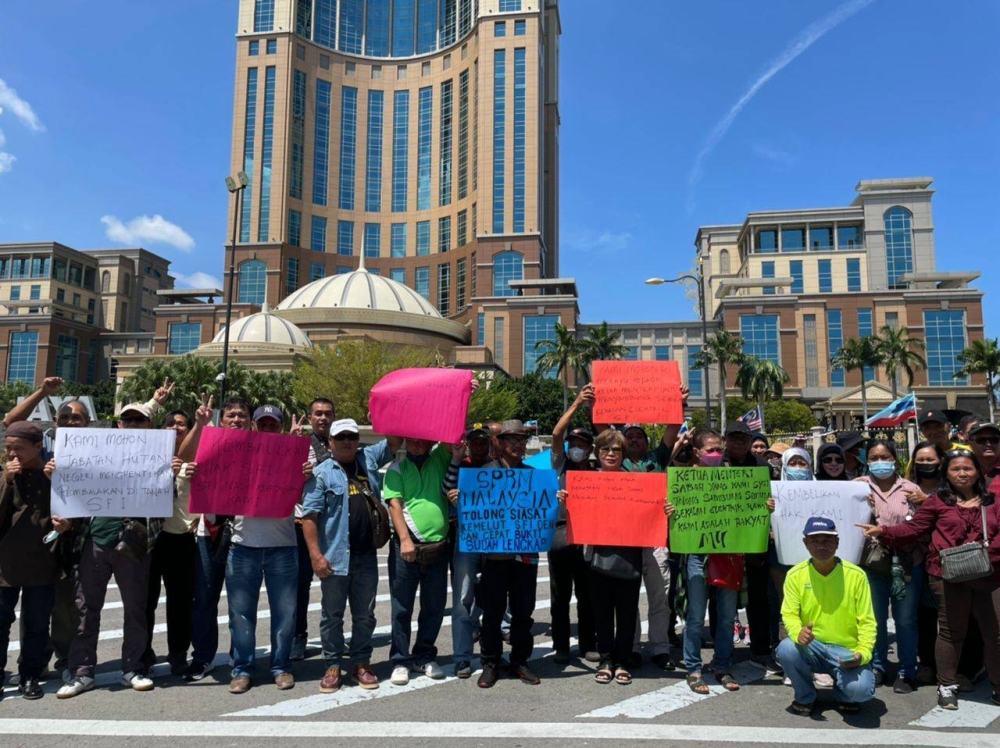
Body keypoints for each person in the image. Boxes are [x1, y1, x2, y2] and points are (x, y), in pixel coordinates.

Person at [859, 448, 1000, 710]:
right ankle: (946, 686)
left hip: (990, 574)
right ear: (946, 473)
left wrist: (989, 553)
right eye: (955, 469)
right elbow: (914, 528)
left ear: (978, 472)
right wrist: (884, 531)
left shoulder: (993, 501)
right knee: (950, 632)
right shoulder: (937, 501)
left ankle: (998, 685)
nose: (962, 473)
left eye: (967, 468)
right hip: (949, 575)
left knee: (995, 633)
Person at [57, 402, 165, 698]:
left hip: (134, 541)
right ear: (119, 425)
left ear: (149, 426)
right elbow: (74, 488)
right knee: (85, 608)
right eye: (127, 419)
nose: (132, 424)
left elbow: (169, 497)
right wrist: (57, 471)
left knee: (135, 609)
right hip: (95, 538)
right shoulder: (95, 449)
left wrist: (173, 472)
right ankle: (81, 672)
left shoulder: (160, 455)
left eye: (139, 420)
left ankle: (132, 668)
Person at [301, 418, 395, 692]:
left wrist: (381, 415)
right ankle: (332, 665)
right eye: (340, 437)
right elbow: (309, 517)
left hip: (366, 557)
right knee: (332, 615)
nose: (346, 442)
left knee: (365, 615)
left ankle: (361, 663)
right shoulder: (321, 473)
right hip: (334, 558)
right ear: (330, 442)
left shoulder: (368, 459)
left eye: (351, 437)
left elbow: (395, 441)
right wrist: (316, 556)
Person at [225, 402, 306, 694]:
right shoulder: (238, 455)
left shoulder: (295, 456)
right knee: (240, 613)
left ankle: (281, 666)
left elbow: (308, 496)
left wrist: (304, 471)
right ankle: (243, 668)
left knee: (284, 612)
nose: (268, 428)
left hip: (282, 546)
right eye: (263, 424)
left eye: (274, 424)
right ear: (254, 426)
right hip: (243, 545)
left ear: (280, 428)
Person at [776, 516, 876, 715]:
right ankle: (805, 695)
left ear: (837, 542)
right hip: (812, 646)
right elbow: (789, 614)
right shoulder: (795, 575)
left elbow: (867, 621)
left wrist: (862, 653)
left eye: (827, 540)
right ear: (805, 543)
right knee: (787, 649)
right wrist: (798, 633)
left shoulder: (856, 575)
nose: (821, 546)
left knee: (859, 692)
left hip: (846, 650)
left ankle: (844, 692)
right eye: (815, 540)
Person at [0, 422, 71, 700]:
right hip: (5, 563)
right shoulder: (6, 475)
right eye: (8, 448)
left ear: (38, 446)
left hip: (42, 562)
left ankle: (30, 675)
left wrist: (64, 526)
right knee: (1, 621)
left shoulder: (52, 474)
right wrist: (6, 480)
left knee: (37, 623)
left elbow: (69, 514)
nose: (13, 454)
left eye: (19, 448)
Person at [670, 428, 744, 694]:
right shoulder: (685, 479)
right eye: (710, 449)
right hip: (697, 554)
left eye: (719, 449)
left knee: (726, 617)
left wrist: (763, 506)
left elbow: (747, 510)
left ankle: (722, 664)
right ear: (698, 452)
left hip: (727, 554)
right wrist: (672, 509)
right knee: (695, 616)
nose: (715, 453)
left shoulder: (736, 480)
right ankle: (693, 667)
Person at [477, 420, 548, 688]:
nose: (517, 445)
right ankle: (490, 662)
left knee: (523, 611)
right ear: (501, 443)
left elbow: (542, 510)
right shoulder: (485, 473)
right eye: (512, 440)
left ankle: (520, 660)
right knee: (492, 612)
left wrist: (555, 500)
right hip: (495, 557)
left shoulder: (532, 475)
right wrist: (460, 499)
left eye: (521, 440)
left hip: (525, 557)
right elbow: (476, 512)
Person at [584, 428, 655, 686]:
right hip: (597, 556)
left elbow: (650, 513)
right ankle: (606, 659)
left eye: (616, 449)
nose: (611, 454)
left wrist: (663, 507)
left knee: (626, 612)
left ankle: (622, 660)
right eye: (605, 449)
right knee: (601, 612)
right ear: (597, 452)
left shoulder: (637, 481)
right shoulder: (586, 481)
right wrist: (566, 500)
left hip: (629, 555)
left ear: (623, 454)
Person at [384, 436, 453, 686]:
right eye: (411, 439)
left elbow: (452, 436)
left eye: (421, 439)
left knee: (434, 607)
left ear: (428, 440)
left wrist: (462, 397)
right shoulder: (396, 468)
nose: (416, 443)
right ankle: (400, 660)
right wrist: (405, 539)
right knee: (401, 607)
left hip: (437, 546)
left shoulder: (439, 460)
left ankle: (424, 655)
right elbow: (395, 504)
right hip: (407, 547)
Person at [855, 440, 923, 693]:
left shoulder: (911, 488)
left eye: (885, 456)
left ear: (894, 458)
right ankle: (878, 666)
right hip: (872, 564)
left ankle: (907, 670)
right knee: (875, 618)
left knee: (905, 620)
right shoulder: (857, 487)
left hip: (907, 563)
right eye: (874, 457)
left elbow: (921, 524)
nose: (880, 461)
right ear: (867, 460)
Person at [441, 424, 498, 679]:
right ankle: (462, 657)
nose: (478, 446)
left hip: (496, 541)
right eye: (474, 442)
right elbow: (445, 490)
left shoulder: (499, 469)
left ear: (489, 443)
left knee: (494, 600)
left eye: (483, 441)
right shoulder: (460, 466)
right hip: (466, 540)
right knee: (463, 599)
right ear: (468, 444)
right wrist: (453, 498)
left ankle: (490, 656)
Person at [143, 409, 197, 676]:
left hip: (182, 538)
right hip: (151, 539)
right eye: (170, 423)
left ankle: (178, 653)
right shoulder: (144, 458)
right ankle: (143, 652)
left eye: (181, 424)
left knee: (180, 601)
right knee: (145, 601)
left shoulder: (197, 462)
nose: (175, 428)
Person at [547, 386, 598, 666]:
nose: (578, 448)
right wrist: (578, 402)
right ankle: (562, 646)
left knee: (586, 595)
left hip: (588, 539)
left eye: (583, 444)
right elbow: (556, 434)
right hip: (560, 535)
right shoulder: (561, 464)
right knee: (560, 596)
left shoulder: (596, 471)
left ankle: (588, 643)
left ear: (590, 449)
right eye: (574, 444)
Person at [290, 398, 336, 662]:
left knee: (336, 585)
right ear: (309, 418)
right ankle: (298, 636)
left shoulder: (341, 443)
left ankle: (333, 637)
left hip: (332, 525)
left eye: (328, 413)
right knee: (300, 586)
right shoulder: (300, 444)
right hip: (301, 524)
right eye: (317, 413)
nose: (323, 418)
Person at [905, 440, 946, 685]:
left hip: (948, 560)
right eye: (920, 460)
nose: (925, 464)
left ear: (941, 461)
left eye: (930, 460)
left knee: (954, 618)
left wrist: (928, 499)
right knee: (924, 616)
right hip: (918, 560)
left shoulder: (949, 487)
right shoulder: (907, 487)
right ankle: (928, 664)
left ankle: (960, 668)